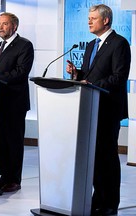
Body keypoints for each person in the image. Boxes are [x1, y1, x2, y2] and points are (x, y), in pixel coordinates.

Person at [66, 4, 131, 216]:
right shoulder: (92, 45)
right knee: (94, 157)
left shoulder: (119, 43)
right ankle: (97, 198)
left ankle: (110, 203)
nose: (89, 21)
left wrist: (90, 83)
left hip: (108, 109)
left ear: (105, 20)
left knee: (108, 157)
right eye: (88, 18)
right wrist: (77, 74)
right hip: (91, 107)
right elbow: (90, 75)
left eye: (93, 18)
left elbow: (118, 77)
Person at [0, 12, 34, 192]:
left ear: (14, 27)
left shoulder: (24, 45)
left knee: (13, 142)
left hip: (14, 103)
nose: (1, 27)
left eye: (5, 24)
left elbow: (21, 72)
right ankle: (4, 176)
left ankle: (14, 180)